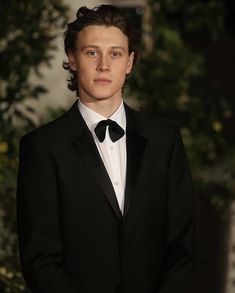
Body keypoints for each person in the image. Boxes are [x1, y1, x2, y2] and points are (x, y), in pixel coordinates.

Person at [17, 4, 196, 293]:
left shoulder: (165, 140)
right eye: (91, 52)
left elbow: (183, 247)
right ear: (72, 59)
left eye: (115, 53)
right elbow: (40, 260)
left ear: (129, 62)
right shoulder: (42, 147)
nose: (104, 65)